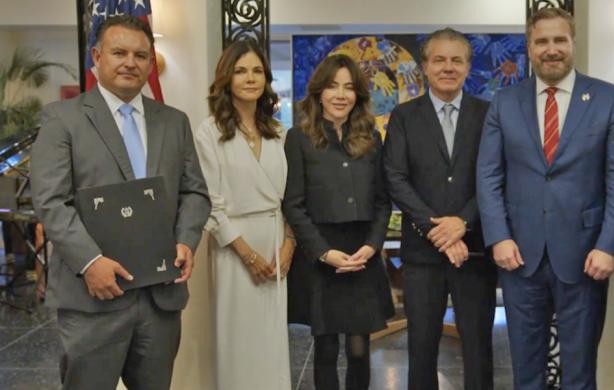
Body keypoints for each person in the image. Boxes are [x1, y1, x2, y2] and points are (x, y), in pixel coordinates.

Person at [30, 15, 210, 390]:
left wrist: (185, 240)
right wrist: (90, 262)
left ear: (150, 62)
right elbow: (50, 201)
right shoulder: (62, 119)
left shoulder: (174, 122)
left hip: (160, 299)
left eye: (140, 55)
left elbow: (195, 192)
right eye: (120, 52)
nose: (131, 62)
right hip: (92, 300)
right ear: (97, 56)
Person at [477, 8, 614, 389]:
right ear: (529, 48)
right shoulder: (504, 101)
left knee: (580, 370)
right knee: (526, 368)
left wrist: (608, 245)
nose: (552, 49)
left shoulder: (609, 100)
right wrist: (498, 236)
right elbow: (488, 174)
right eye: (542, 41)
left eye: (559, 40)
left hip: (586, 256)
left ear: (573, 43)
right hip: (518, 255)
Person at [383, 27, 497, 390]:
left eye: (456, 60)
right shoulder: (404, 116)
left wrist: (463, 222)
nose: (448, 67)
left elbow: (496, 176)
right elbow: (395, 178)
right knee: (421, 347)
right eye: (439, 60)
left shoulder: (489, 114)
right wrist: (442, 232)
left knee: (479, 348)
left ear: (467, 66)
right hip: (422, 255)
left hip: (475, 251)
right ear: (425, 67)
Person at [282, 54, 393, 390]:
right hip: (321, 255)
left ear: (358, 94)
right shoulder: (299, 138)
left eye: (348, 87)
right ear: (318, 92)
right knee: (326, 347)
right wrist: (323, 252)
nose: (340, 95)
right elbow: (293, 204)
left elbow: (382, 201)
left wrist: (372, 246)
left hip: (362, 253)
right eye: (332, 86)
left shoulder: (371, 138)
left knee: (359, 349)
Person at [194, 40, 294, 390]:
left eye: (256, 71)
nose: (250, 78)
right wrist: (247, 254)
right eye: (240, 71)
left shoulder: (280, 132)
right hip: (233, 246)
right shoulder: (209, 132)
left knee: (271, 340)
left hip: (275, 241)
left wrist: (288, 245)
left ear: (266, 79)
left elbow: (292, 198)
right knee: (237, 339)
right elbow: (210, 202)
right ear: (226, 78)